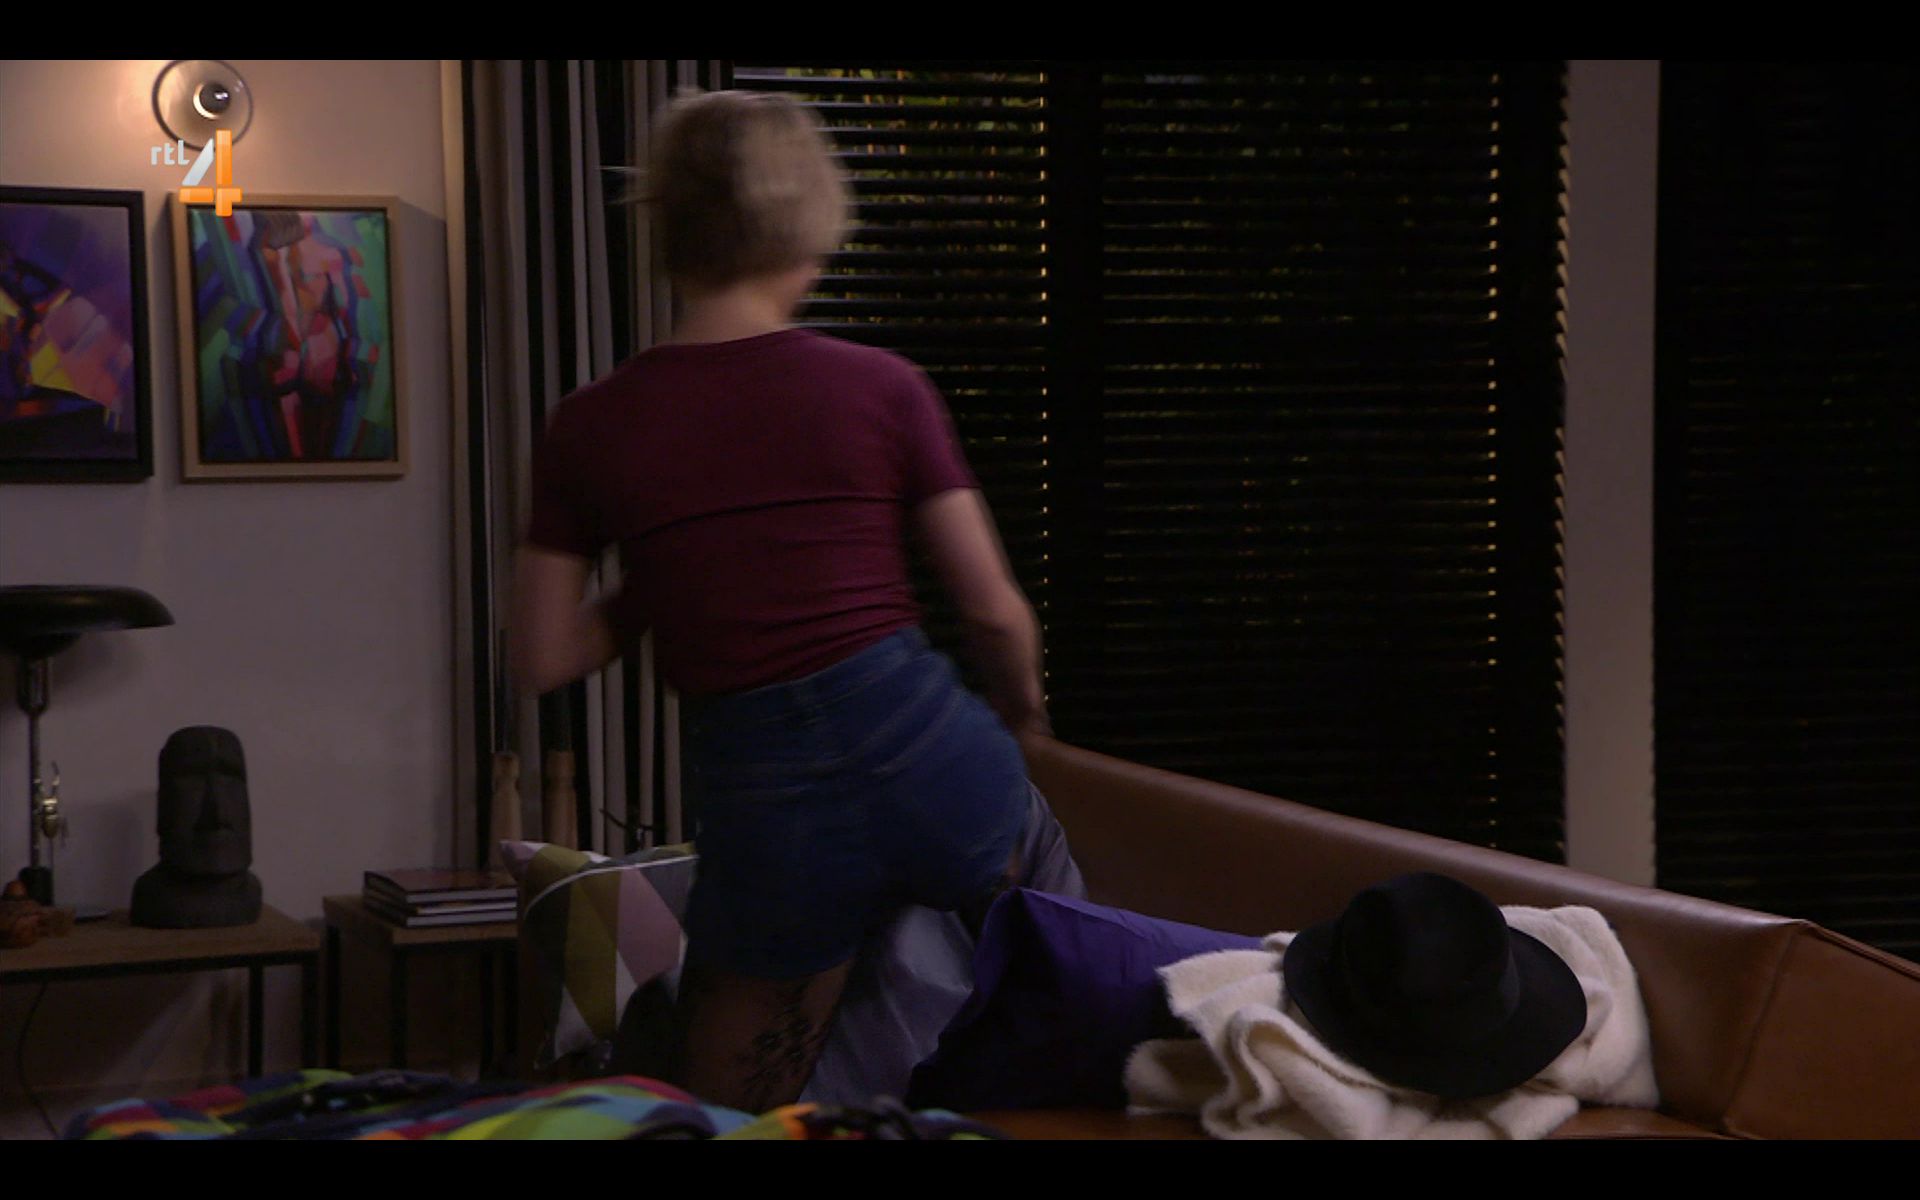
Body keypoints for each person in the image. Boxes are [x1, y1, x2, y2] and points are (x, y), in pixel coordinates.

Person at [508, 89, 1052, 1114]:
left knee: (734, 1109)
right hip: (932, 755)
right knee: (1052, 998)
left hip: (770, 803)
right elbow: (994, 615)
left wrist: (668, 574)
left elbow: (542, 655)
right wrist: (1024, 722)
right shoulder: (882, 386)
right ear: (808, 225)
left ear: (668, 232)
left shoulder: (590, 425)